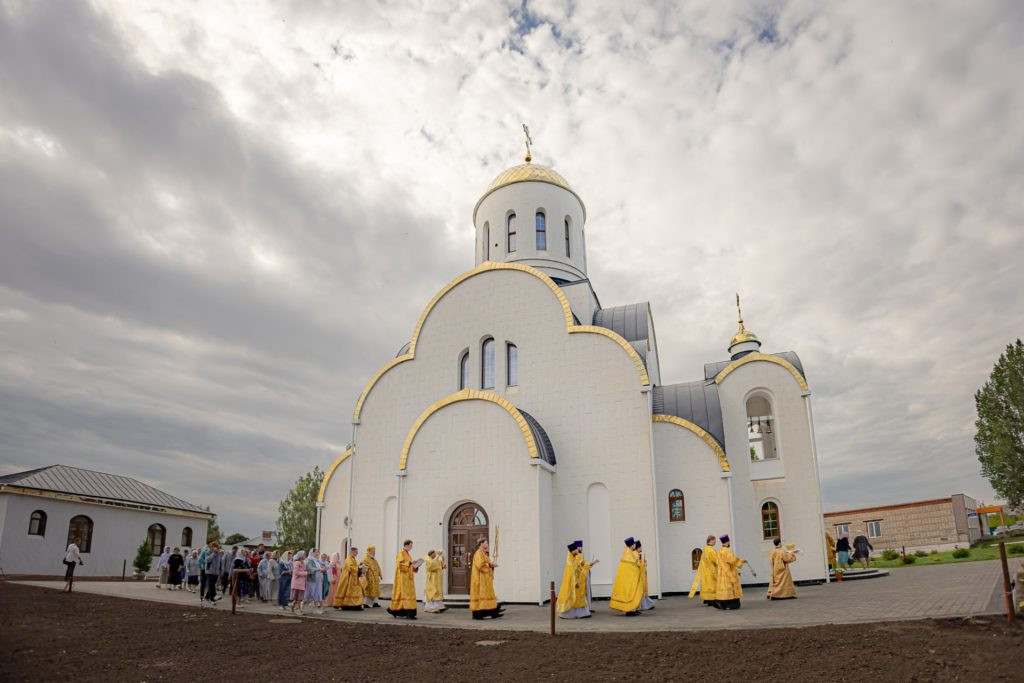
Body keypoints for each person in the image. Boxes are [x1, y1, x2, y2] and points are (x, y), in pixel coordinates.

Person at [557, 541, 598, 618]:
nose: (577, 550)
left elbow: (581, 567)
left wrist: (590, 564)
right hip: (573, 583)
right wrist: (575, 582)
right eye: (576, 549)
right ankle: (569, 613)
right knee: (573, 597)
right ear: (573, 550)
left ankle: (581, 613)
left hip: (577, 581)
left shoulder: (574, 559)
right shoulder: (570, 561)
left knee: (578, 597)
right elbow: (572, 573)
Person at [609, 537, 643, 616]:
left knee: (631, 594)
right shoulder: (628, 553)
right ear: (631, 545)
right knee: (629, 594)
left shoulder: (628, 552)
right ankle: (629, 611)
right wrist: (640, 563)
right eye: (634, 544)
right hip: (629, 579)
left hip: (629, 578)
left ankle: (633, 609)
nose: (635, 545)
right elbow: (633, 566)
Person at [470, 538, 502, 619]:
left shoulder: (483, 553)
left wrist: (491, 565)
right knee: (481, 597)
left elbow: (486, 564)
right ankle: (480, 614)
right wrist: (490, 565)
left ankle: (494, 611)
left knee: (487, 596)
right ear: (481, 544)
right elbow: (480, 565)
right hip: (480, 580)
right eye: (486, 543)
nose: (487, 545)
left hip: (485, 580)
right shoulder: (478, 553)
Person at [388, 539, 419, 619]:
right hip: (402, 578)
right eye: (411, 545)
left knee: (405, 595)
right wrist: (410, 563)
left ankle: (401, 612)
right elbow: (400, 565)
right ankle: (409, 614)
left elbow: (410, 565)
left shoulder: (408, 555)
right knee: (404, 595)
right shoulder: (401, 553)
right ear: (406, 545)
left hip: (408, 579)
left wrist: (416, 565)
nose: (411, 547)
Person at [714, 534, 746, 610]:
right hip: (728, 572)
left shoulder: (719, 551)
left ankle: (723, 604)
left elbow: (717, 561)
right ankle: (732, 605)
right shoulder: (727, 551)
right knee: (731, 588)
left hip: (722, 573)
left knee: (724, 588)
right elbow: (733, 560)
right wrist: (741, 561)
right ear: (728, 542)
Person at [688, 535, 719, 606]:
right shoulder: (711, 550)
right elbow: (716, 559)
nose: (715, 542)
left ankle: (707, 599)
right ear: (710, 540)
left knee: (707, 586)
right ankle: (712, 600)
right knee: (712, 586)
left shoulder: (705, 549)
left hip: (705, 571)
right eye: (714, 540)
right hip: (711, 570)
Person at [635, 540, 655, 610]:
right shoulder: (636, 555)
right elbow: (639, 565)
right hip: (639, 576)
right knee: (640, 591)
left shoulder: (640, 554)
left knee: (643, 591)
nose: (641, 548)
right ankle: (642, 606)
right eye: (640, 547)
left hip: (643, 575)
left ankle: (646, 605)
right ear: (637, 548)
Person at [306, 548, 324, 614]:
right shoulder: (309, 560)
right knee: (309, 594)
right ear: (312, 553)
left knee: (317, 593)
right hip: (312, 579)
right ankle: (299, 605)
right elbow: (310, 568)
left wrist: (325, 568)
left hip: (318, 579)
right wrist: (318, 569)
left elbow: (322, 567)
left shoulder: (317, 561)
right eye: (316, 552)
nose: (317, 553)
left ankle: (316, 608)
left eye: (318, 552)